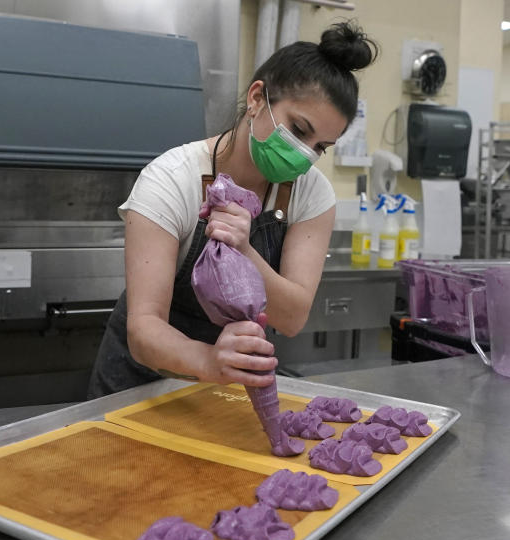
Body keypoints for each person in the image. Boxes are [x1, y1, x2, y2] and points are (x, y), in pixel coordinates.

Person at [87, 21, 378, 398]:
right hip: (138, 391)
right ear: (257, 98)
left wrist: (245, 251)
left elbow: (291, 318)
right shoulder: (172, 179)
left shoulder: (311, 196)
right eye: (298, 130)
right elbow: (144, 330)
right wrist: (210, 361)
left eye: (321, 147)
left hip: (226, 396)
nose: (305, 154)